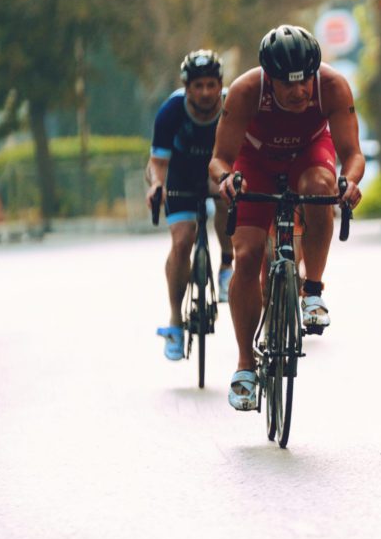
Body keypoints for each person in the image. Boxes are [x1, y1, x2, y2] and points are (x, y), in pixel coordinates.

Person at [209, 24, 365, 411]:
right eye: (288, 84)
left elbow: (353, 153)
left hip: (309, 155)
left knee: (321, 185)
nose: (299, 92)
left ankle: (312, 290)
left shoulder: (332, 86)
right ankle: (246, 364)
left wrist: (351, 181)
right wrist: (225, 180)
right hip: (255, 161)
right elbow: (220, 159)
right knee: (246, 256)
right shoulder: (246, 91)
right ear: (269, 78)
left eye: (305, 82)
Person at [146, 49, 235, 361]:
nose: (206, 92)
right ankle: (174, 321)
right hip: (181, 180)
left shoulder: (232, 106)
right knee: (182, 240)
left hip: (219, 174)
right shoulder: (171, 111)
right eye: (198, 86)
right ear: (186, 87)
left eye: (211, 84)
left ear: (220, 84)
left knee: (227, 195)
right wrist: (157, 185)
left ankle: (226, 265)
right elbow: (157, 162)